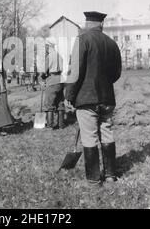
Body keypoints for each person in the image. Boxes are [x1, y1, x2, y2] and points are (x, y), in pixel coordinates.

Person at [65, 11, 122, 185]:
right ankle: (111, 175)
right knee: (107, 133)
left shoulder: (82, 40)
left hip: (86, 98)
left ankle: (94, 179)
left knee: (89, 137)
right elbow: (116, 73)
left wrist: (69, 95)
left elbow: (75, 72)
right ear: (101, 24)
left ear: (86, 23)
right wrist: (104, 84)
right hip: (107, 98)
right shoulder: (112, 44)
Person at [40, 37, 65, 129]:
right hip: (61, 81)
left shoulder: (49, 56)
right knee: (60, 103)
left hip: (52, 81)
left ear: (48, 46)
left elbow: (43, 71)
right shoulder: (59, 55)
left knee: (49, 104)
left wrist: (42, 78)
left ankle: (50, 125)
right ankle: (61, 124)